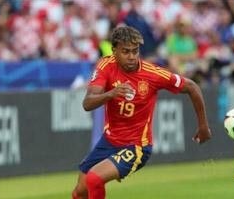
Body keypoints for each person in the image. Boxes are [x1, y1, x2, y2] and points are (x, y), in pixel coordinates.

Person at [72, 26, 212, 199]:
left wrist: (203, 126)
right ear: (114, 51)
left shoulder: (152, 74)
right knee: (80, 192)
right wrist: (111, 94)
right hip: (109, 141)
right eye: (125, 52)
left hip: (136, 145)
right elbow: (87, 103)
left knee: (94, 179)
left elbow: (192, 86)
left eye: (135, 51)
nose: (131, 56)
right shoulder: (105, 65)